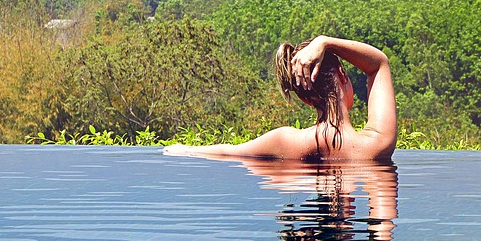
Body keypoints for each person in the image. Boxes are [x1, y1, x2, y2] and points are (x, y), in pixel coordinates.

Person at [164, 35, 396, 161]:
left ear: (306, 100)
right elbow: (378, 64)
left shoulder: (285, 142)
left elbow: (228, 151)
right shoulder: (376, 144)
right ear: (343, 76)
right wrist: (326, 41)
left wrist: (184, 149)